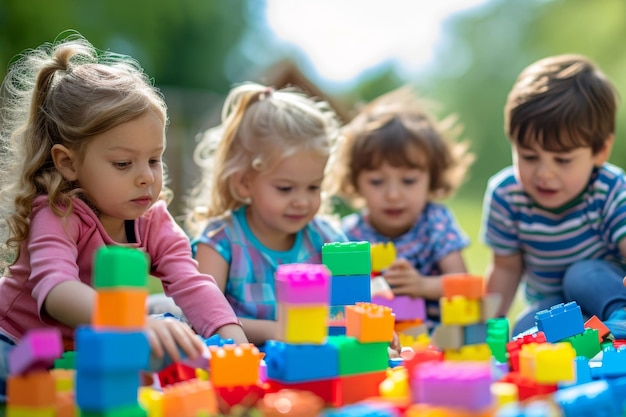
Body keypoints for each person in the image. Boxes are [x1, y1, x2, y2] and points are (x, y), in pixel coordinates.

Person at [0, 33, 247, 397]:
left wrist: (236, 347)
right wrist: (134, 322)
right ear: (68, 163)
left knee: (172, 324)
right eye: (123, 163)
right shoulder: (58, 214)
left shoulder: (154, 220)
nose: (146, 176)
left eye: (154, 159)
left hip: (92, 349)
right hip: (21, 342)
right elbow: (56, 291)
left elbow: (192, 284)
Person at [179, 82, 349, 346]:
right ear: (245, 182)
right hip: (241, 369)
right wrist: (275, 331)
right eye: (285, 188)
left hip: (315, 364)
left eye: (313, 186)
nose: (302, 201)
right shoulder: (220, 241)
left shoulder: (327, 239)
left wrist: (369, 329)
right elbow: (203, 316)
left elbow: (350, 305)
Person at [481, 54, 626, 337]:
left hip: (606, 295)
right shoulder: (507, 195)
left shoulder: (610, 189)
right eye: (529, 156)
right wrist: (485, 326)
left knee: (580, 275)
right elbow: (506, 270)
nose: (544, 174)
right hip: (555, 305)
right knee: (523, 330)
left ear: (599, 151)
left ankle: (622, 320)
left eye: (562, 160)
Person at [328, 86, 475, 327]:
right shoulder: (349, 235)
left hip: (437, 341)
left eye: (408, 181)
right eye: (376, 182)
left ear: (432, 178)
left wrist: (422, 285)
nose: (393, 195)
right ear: (356, 182)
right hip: (372, 343)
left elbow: (464, 285)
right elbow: (337, 302)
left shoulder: (435, 222)